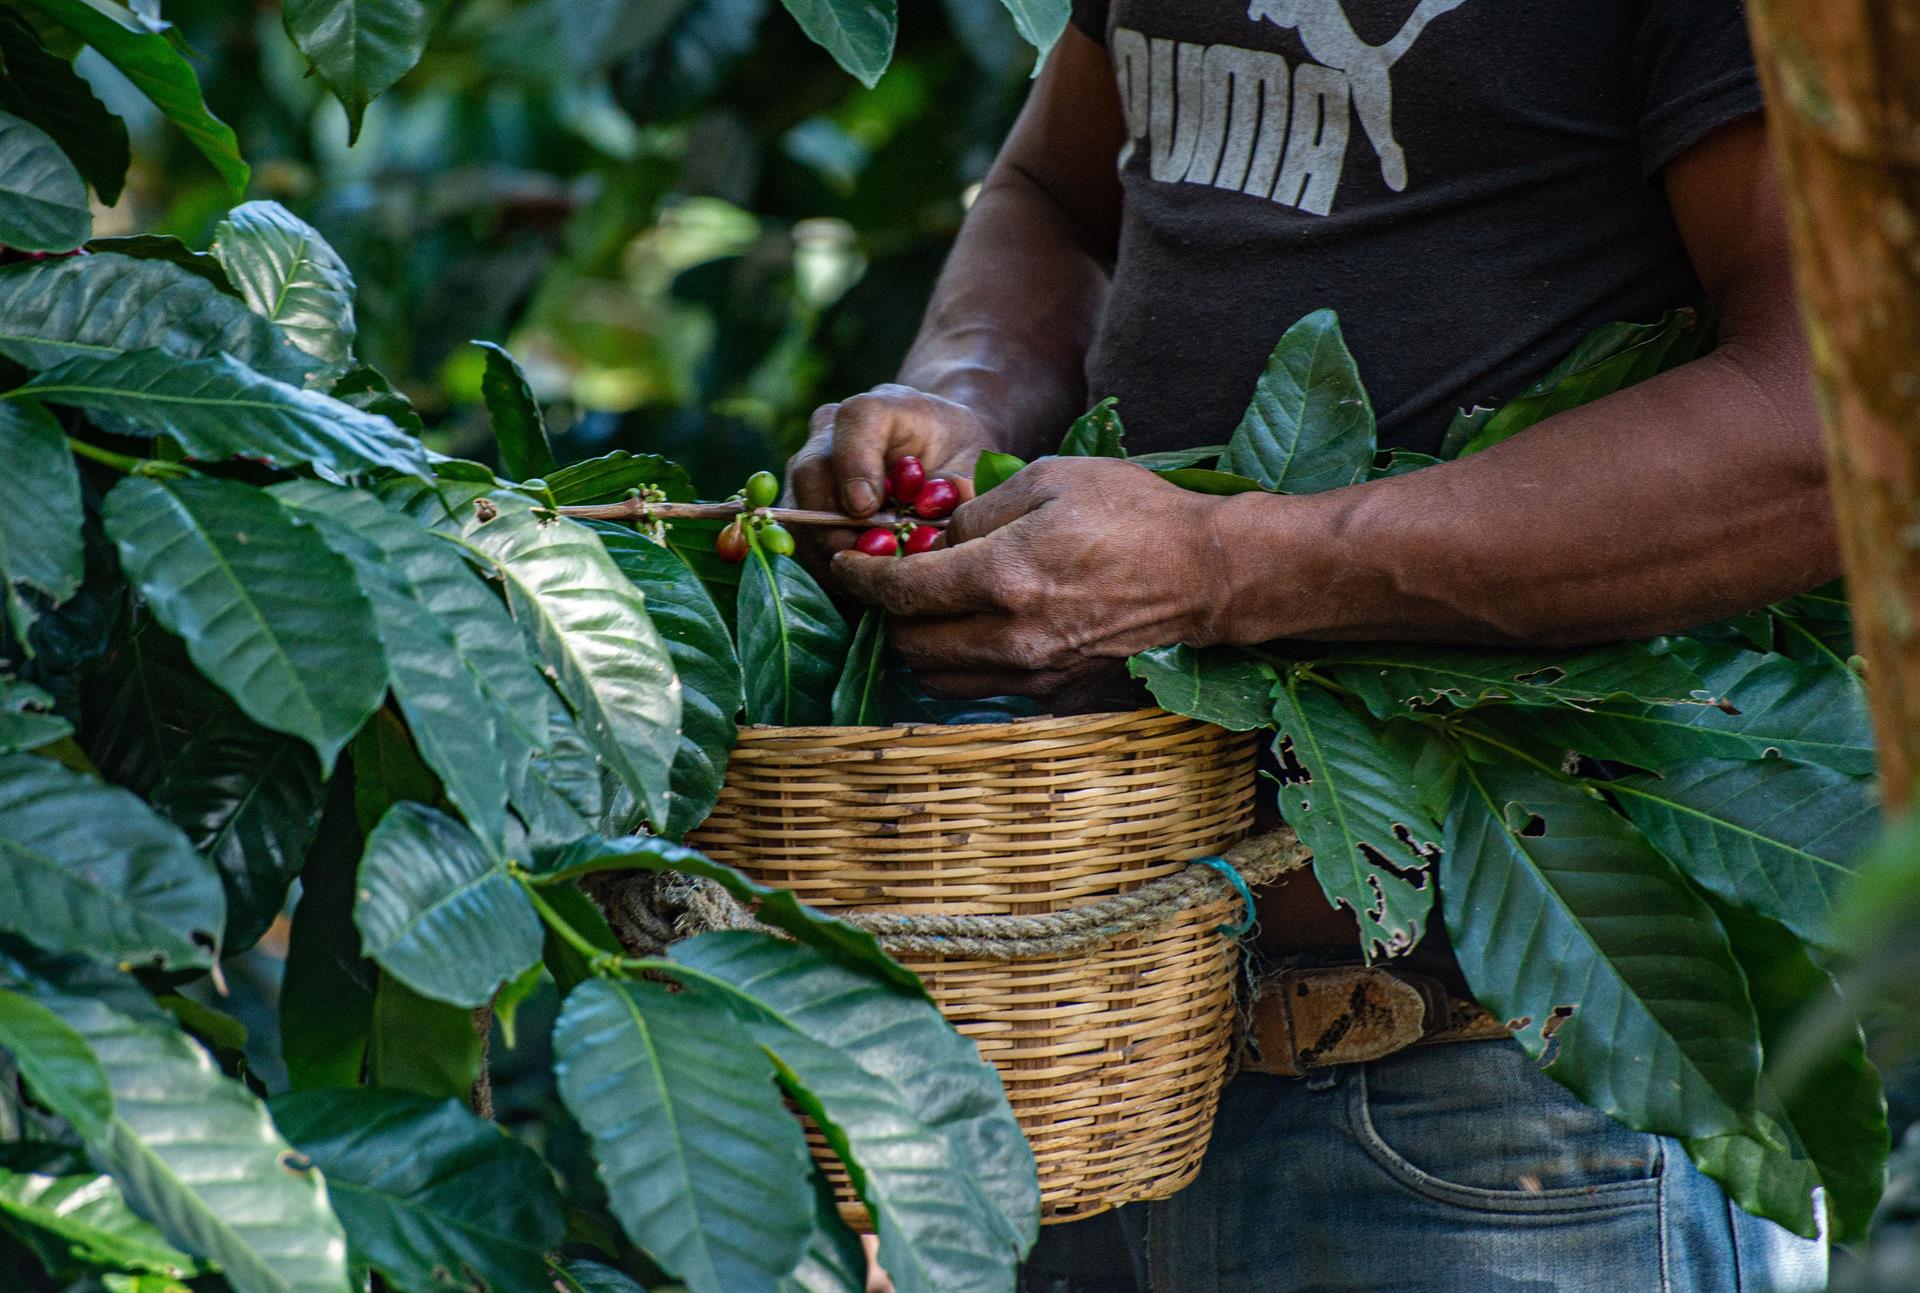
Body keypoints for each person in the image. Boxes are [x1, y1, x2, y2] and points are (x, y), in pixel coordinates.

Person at [784, 2, 1835, 1289]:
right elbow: (1056, 194)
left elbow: (1829, 426)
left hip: (1505, 1095)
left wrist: (1224, 567)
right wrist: (962, 395)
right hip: (1106, 1048)